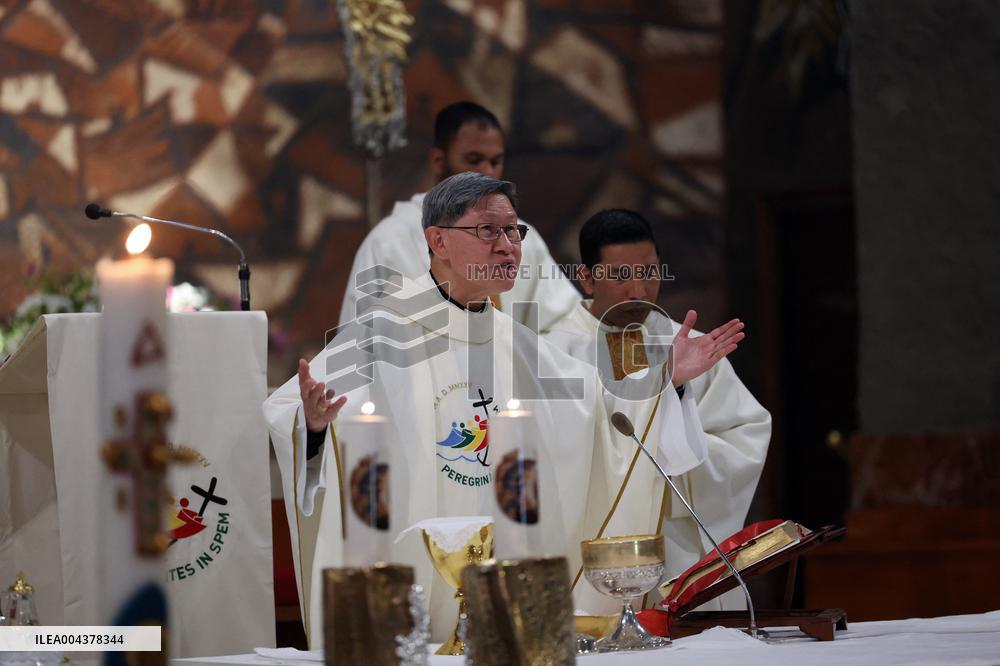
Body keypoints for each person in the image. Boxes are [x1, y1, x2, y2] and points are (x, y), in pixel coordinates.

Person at [264, 174, 743, 646]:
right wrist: (312, 426)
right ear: (438, 241)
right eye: (488, 230)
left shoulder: (521, 346)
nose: (509, 245)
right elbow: (289, 407)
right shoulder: (381, 332)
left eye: (515, 231)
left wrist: (664, 381)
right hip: (409, 596)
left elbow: (604, 416)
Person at [543, 208, 772, 609]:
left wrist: (679, 445)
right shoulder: (552, 353)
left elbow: (744, 437)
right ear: (586, 278)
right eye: (619, 276)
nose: (638, 290)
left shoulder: (695, 348)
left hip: (679, 550)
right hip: (593, 550)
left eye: (649, 272)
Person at [338, 101, 580, 331]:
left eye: (495, 162)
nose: (487, 172)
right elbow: (361, 346)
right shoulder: (389, 243)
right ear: (438, 161)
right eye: (473, 160)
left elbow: (566, 327)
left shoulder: (522, 239)